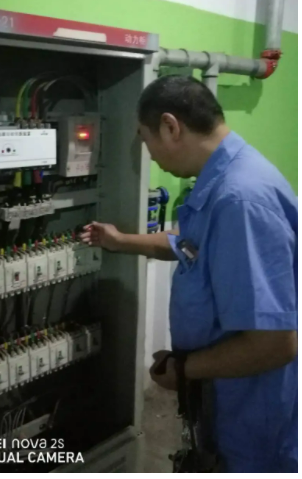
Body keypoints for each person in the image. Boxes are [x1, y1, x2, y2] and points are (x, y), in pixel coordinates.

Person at [80, 76, 296, 472]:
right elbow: (190, 245)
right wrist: (120, 241)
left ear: (170, 126)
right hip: (227, 400)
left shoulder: (239, 200)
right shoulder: (226, 180)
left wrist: (182, 370)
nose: (149, 154)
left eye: (145, 139)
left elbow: (276, 344)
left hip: (254, 418)